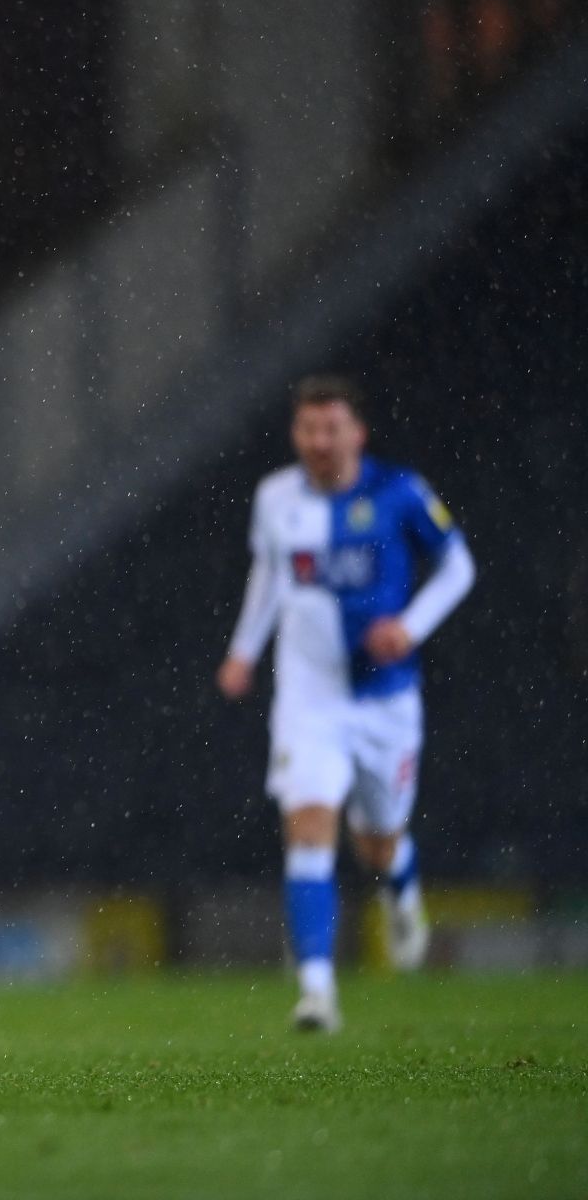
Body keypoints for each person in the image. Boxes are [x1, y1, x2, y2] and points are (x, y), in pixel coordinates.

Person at [217, 375, 474, 1033]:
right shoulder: (275, 497)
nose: (319, 442)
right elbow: (270, 574)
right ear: (296, 434)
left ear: (357, 433)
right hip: (310, 696)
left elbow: (458, 567)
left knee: (377, 841)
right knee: (308, 829)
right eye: (308, 429)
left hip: (386, 699)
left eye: (332, 428)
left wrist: (410, 628)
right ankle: (316, 992)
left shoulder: (399, 492)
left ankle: (404, 889)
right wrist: (243, 650)